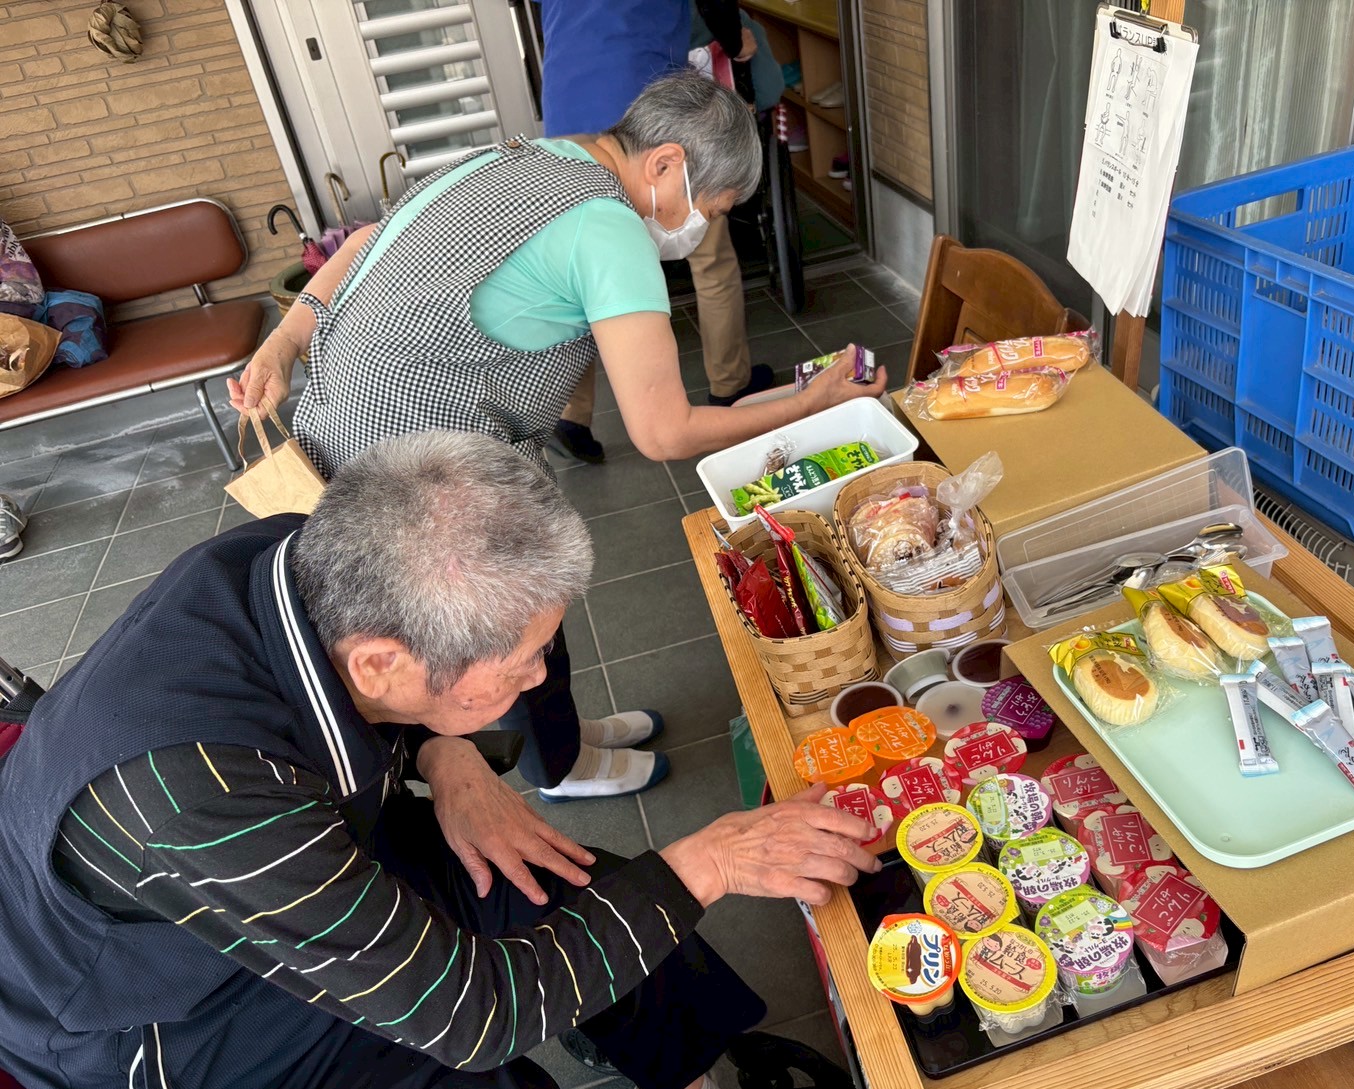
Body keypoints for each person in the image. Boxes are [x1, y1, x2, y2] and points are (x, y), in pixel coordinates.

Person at [0, 430, 881, 1089]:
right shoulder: (202, 796)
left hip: (298, 846)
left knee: (577, 891)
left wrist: (443, 749)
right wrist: (711, 862)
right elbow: (471, 1016)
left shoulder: (301, 554)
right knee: (489, 1086)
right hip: (171, 1016)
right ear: (385, 665)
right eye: (522, 661)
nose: (539, 679)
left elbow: (339, 695)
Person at [230, 73, 886, 804]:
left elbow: (360, 242)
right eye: (711, 208)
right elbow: (664, 430)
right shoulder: (609, 227)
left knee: (518, 613)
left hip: (341, 422)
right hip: (413, 464)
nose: (704, 227)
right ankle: (558, 768)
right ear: (665, 163)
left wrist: (283, 341)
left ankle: (564, 733)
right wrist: (806, 404)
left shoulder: (527, 155)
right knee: (502, 619)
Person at [537, 2, 774, 464]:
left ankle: (570, 415)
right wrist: (735, 40)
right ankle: (729, 385)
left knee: (571, 272)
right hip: (644, 105)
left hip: (566, 103)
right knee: (710, 258)